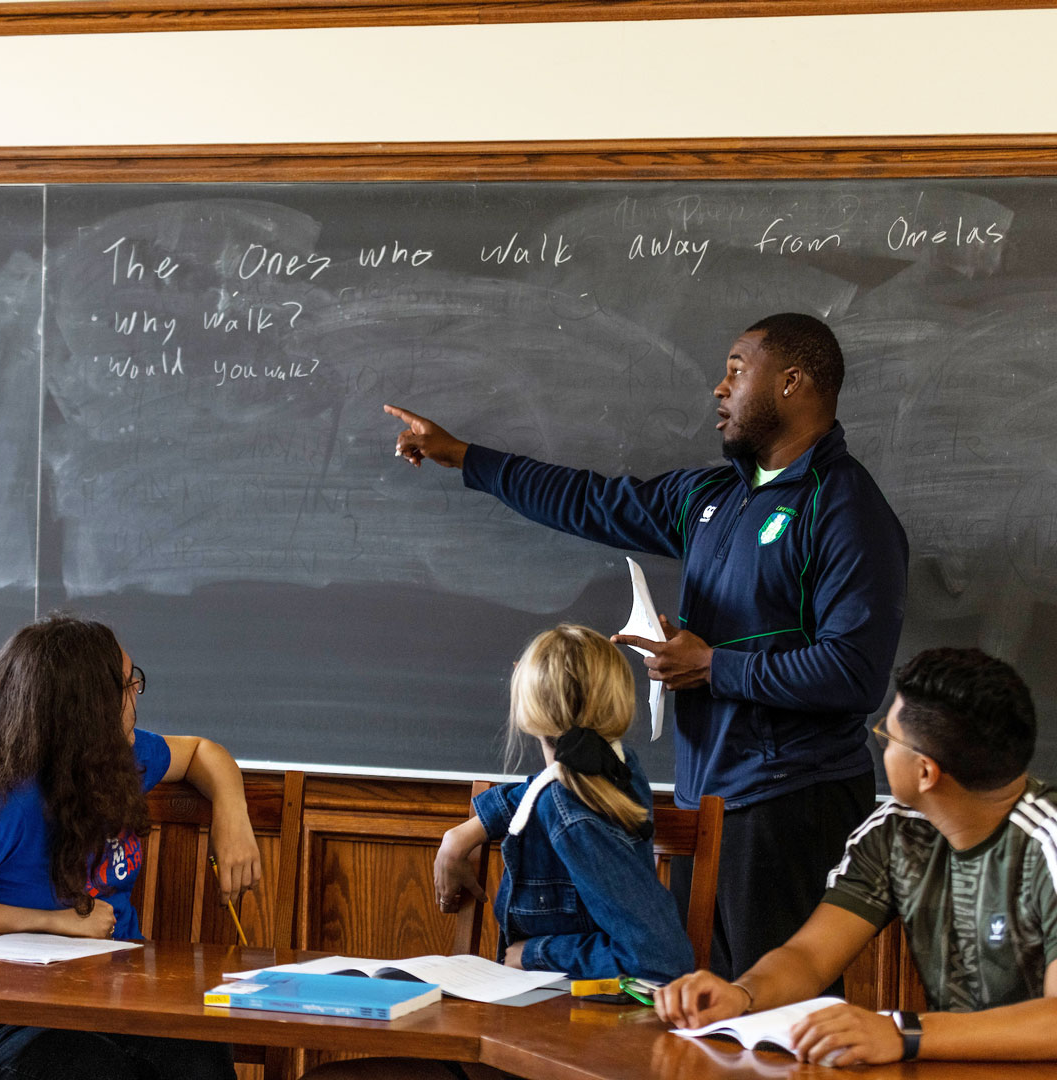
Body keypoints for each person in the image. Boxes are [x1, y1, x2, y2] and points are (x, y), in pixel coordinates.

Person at [385, 312, 909, 980]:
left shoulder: (847, 510)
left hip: (789, 803)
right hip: (705, 798)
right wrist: (465, 457)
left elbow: (855, 674)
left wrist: (713, 665)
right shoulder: (716, 496)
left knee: (770, 1018)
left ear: (792, 382)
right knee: (699, 1006)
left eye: (736, 370)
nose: (718, 390)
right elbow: (592, 500)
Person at [654, 646, 1057, 1066]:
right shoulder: (895, 831)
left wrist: (904, 1033)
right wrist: (743, 994)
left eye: (887, 734)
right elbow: (810, 957)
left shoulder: (1048, 839)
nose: (878, 741)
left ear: (925, 772)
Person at [0, 613, 262, 1080]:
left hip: (132, 994)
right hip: (32, 1015)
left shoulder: (119, 758)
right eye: (128, 686)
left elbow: (199, 752)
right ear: (87, 710)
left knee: (199, 1061)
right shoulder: (8, 798)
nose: (136, 697)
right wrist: (54, 923)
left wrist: (232, 812)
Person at [435, 624, 694, 982]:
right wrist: (466, 831)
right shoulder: (616, 765)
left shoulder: (570, 813)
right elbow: (543, 785)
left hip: (574, 1013)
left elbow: (661, 960)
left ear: (528, 705)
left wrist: (535, 954)